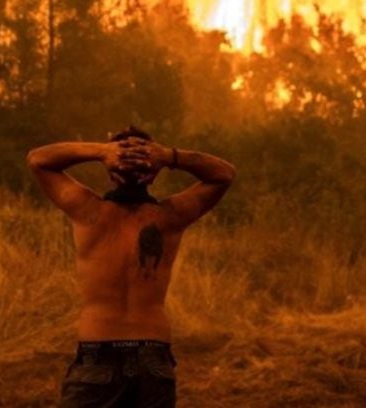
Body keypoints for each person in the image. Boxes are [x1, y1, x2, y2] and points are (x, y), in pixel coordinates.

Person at [27, 125, 236, 407]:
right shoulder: (169, 217)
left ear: (110, 172)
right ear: (153, 173)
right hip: (152, 357)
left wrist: (103, 152)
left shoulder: (88, 210)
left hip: (98, 354)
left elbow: (38, 160)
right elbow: (223, 175)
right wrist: (168, 157)